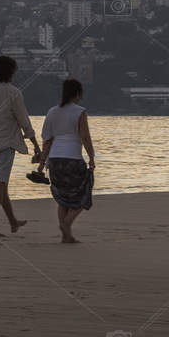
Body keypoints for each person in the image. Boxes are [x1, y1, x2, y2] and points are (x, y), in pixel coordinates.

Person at [0, 55, 39, 239]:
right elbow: (23, 120)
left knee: (1, 183)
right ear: (10, 72)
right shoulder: (13, 92)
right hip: (6, 143)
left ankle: (12, 222)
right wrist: (35, 144)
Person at [37, 77, 96, 243]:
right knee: (83, 193)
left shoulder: (52, 111)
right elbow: (85, 137)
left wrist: (42, 163)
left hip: (54, 160)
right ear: (77, 94)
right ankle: (66, 224)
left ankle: (66, 236)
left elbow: (47, 140)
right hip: (73, 159)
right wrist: (91, 157)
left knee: (63, 198)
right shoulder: (79, 111)